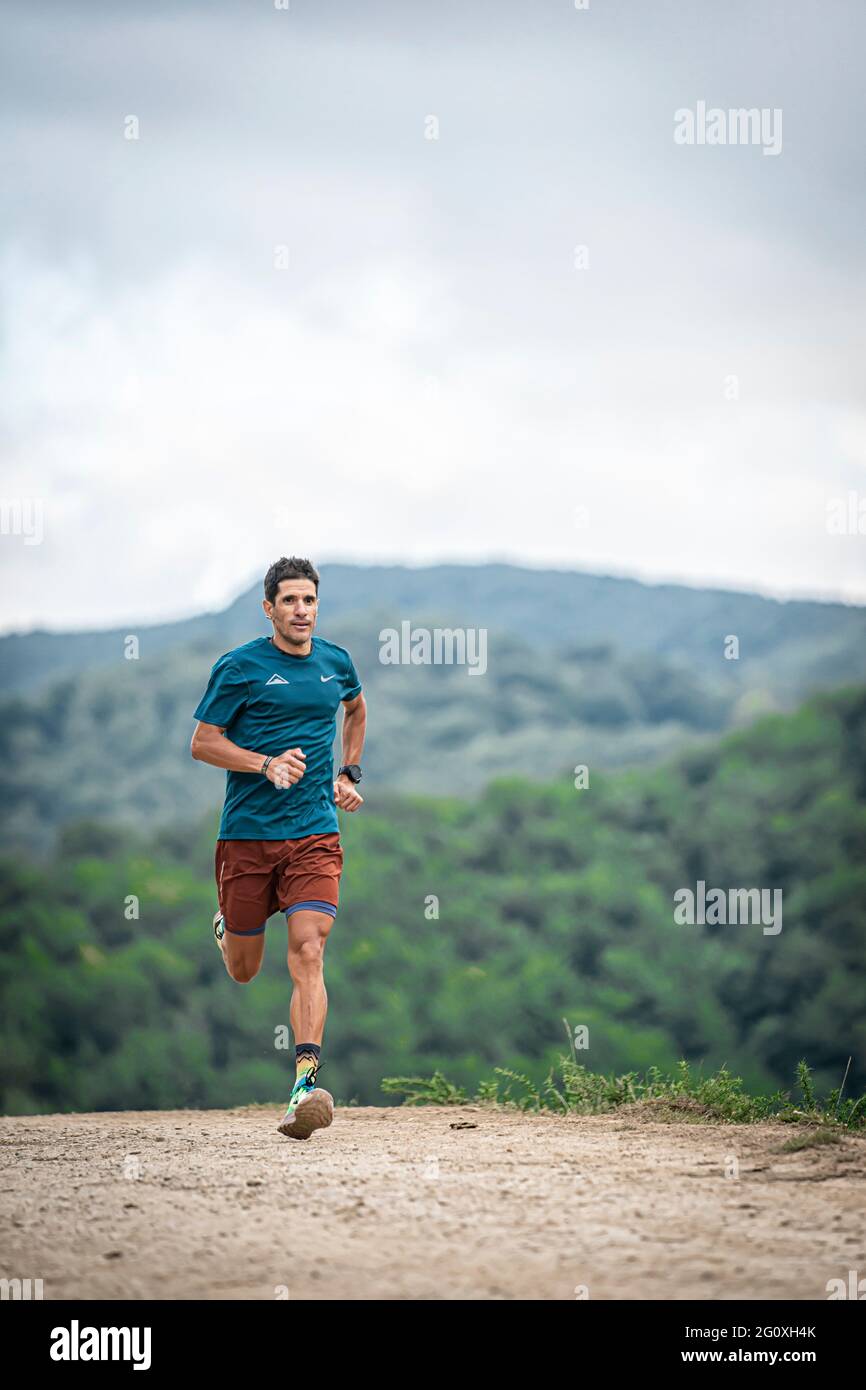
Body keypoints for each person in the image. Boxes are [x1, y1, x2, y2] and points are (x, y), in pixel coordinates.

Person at [190, 556, 366, 1139]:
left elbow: (355, 708)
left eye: (309, 601)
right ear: (269, 608)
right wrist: (264, 764)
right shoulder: (239, 667)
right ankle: (228, 928)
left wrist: (349, 773)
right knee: (244, 970)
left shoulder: (336, 663)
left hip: (314, 835)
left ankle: (304, 1086)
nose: (301, 611)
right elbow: (203, 743)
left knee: (309, 951)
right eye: (289, 601)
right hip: (247, 837)